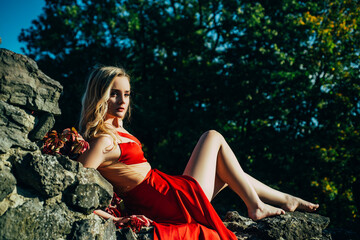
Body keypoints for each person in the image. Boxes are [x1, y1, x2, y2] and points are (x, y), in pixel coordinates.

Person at [77, 66, 319, 239]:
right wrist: (114, 219)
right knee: (212, 137)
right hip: (166, 201)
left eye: (127, 94)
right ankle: (256, 206)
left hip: (168, 190)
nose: (122, 100)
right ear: (100, 95)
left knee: (228, 173)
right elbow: (77, 192)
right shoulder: (103, 141)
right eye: (114, 93)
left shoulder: (120, 130)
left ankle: (285, 200)